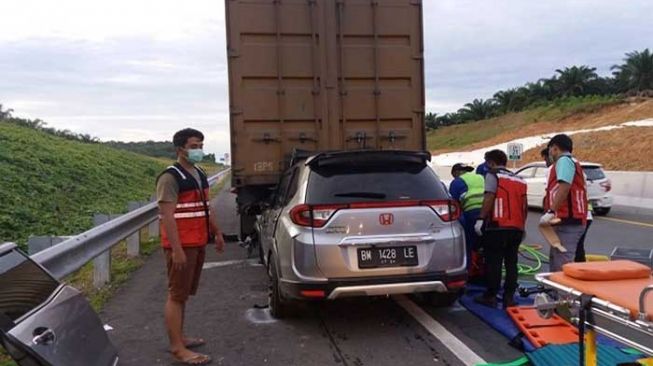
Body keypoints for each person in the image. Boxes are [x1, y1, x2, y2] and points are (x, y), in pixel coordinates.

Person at [157, 128, 225, 365]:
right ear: (180, 149)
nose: (199, 150)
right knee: (176, 295)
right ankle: (177, 348)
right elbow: (166, 216)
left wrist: (216, 232)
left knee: (184, 294)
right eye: (194, 146)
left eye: (201, 146)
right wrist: (176, 250)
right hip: (181, 244)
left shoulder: (198, 172)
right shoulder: (170, 178)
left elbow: (207, 206)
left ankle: (180, 337)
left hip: (197, 241)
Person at [474, 150, 528, 309]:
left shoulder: (493, 175)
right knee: (512, 263)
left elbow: (489, 197)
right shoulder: (520, 180)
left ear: (491, 162)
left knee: (494, 262)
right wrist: (522, 226)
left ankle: (490, 296)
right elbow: (524, 206)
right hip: (516, 228)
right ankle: (509, 297)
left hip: (497, 226)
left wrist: (481, 219)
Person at [540, 134, 588, 272]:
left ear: (555, 148)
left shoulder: (564, 161)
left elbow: (564, 187)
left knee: (562, 263)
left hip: (569, 221)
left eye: (550, 149)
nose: (549, 153)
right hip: (568, 220)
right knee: (556, 258)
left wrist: (550, 211)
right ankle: (555, 292)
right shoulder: (571, 162)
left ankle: (563, 294)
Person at [449, 163, 485, 278]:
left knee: (468, 244)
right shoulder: (481, 177)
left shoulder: (457, 182)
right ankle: (486, 272)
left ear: (455, 172)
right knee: (487, 244)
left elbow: (454, 206)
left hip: (472, 213)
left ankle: (469, 273)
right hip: (488, 212)